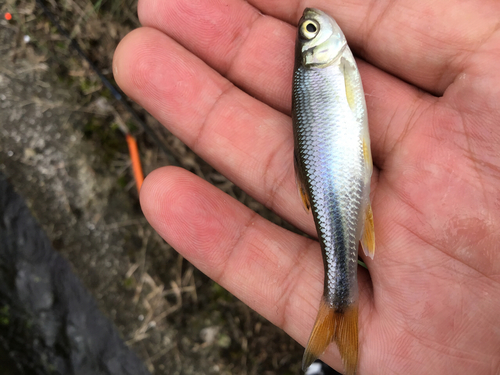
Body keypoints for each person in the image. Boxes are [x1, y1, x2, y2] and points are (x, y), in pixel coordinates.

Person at [113, 0, 500, 373]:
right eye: (311, 30)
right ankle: (338, 301)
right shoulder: (322, 70)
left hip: (338, 177)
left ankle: (337, 310)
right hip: (341, 181)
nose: (312, 26)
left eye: (309, 29)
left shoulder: (319, 70)